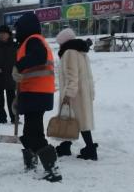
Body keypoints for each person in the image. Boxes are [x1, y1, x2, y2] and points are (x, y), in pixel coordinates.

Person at [13, 12, 62, 182]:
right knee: (29, 132)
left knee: (34, 134)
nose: (16, 33)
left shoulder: (34, 40)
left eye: (18, 29)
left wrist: (18, 65)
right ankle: (31, 163)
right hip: (33, 93)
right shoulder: (30, 42)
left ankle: (52, 169)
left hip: (36, 93)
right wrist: (17, 98)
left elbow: (38, 57)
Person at [54, 29, 98, 161]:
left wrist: (68, 94)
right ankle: (66, 146)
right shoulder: (81, 52)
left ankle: (89, 149)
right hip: (83, 93)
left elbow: (72, 77)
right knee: (76, 121)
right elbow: (89, 76)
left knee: (71, 120)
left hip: (75, 94)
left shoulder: (69, 53)